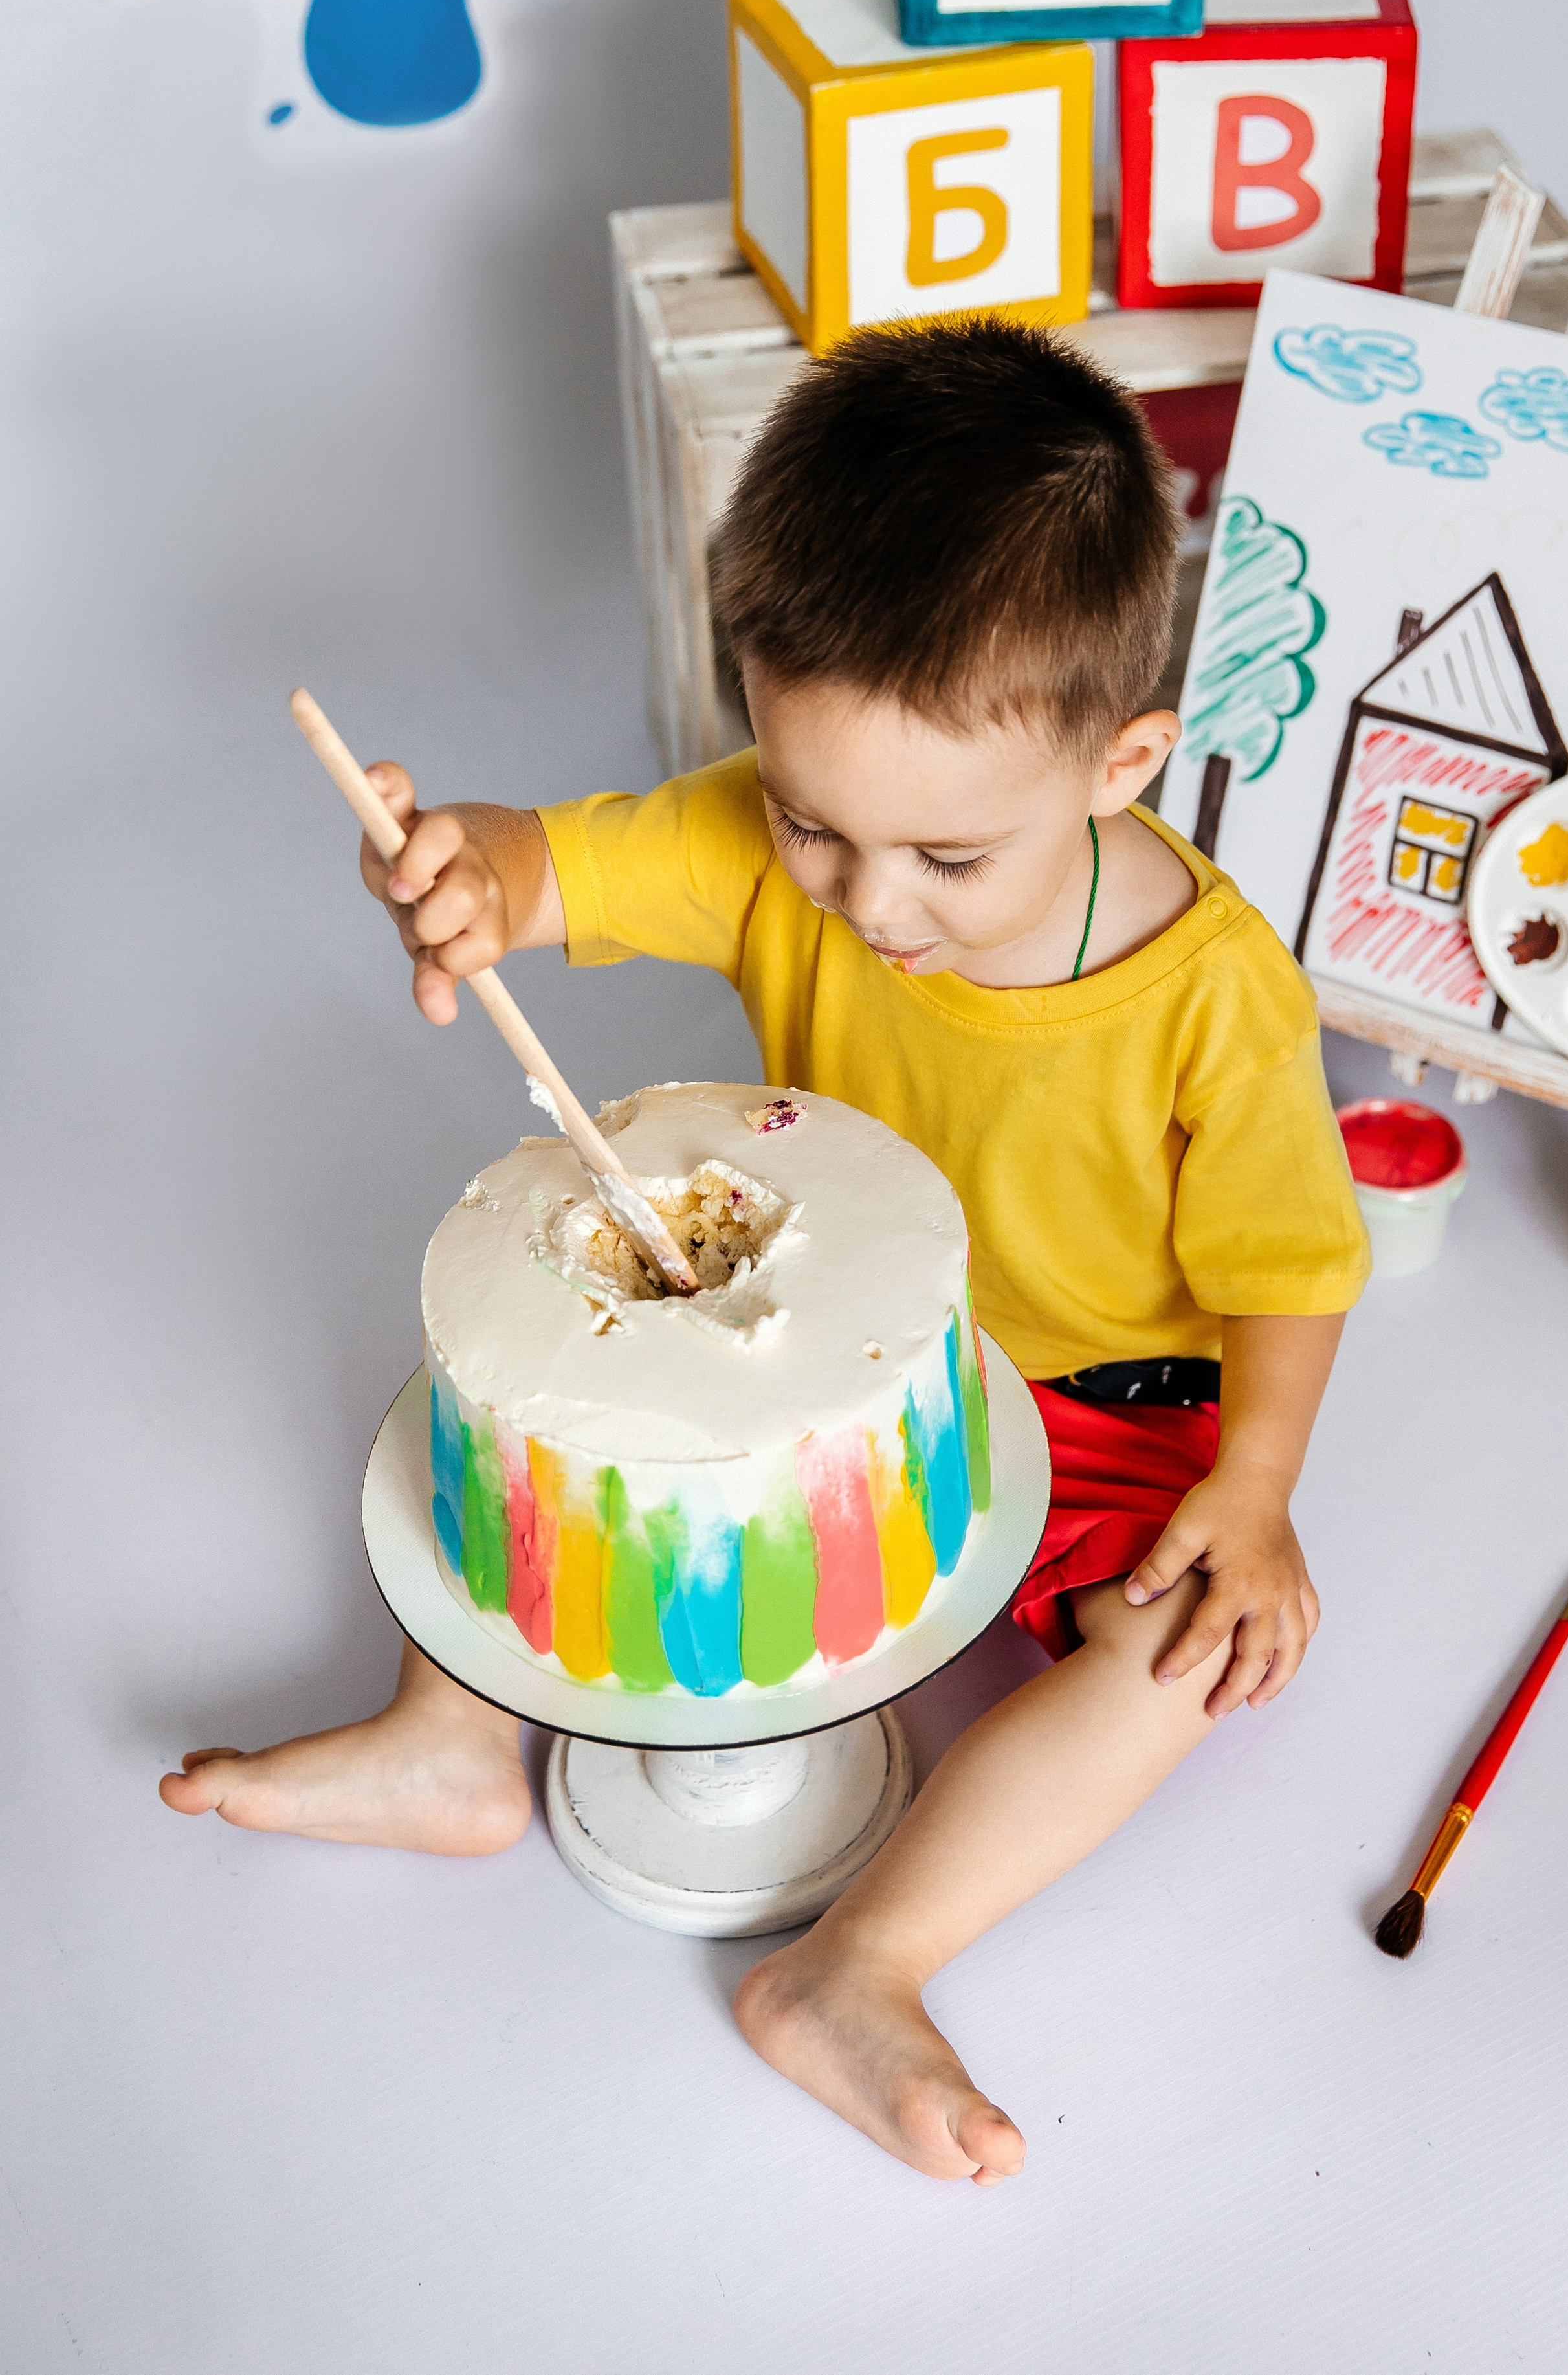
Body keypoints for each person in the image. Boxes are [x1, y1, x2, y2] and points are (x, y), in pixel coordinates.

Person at [161, 318, 1368, 2186]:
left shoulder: (1219, 997)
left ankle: (859, 1965)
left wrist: (1266, 1484)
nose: (872, 904)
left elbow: (1292, 1261)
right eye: (813, 823)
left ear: (1124, 759)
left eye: (948, 859)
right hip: (803, 1334)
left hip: (1099, 1387)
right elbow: (550, 864)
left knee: (1189, 1652)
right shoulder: (765, 830)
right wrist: (455, 864)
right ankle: (453, 1742)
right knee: (547, 1412)